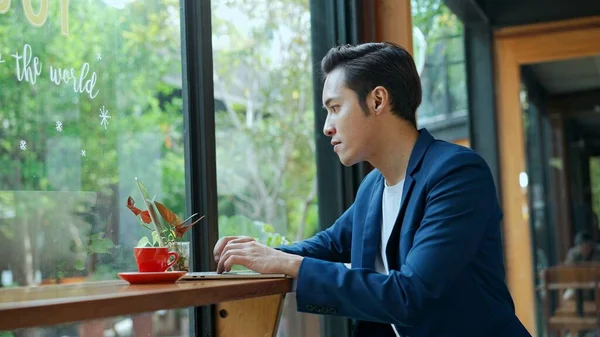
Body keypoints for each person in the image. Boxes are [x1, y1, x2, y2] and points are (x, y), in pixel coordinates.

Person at [213, 42, 531, 337]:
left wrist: (287, 264)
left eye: (335, 107)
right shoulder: (373, 187)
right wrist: (261, 255)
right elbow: (327, 244)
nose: (327, 126)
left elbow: (410, 295)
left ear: (377, 100)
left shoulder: (456, 173)